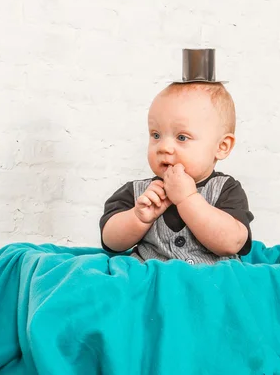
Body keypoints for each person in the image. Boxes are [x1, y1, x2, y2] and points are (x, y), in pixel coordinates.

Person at [99, 49, 254, 264]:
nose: (164, 147)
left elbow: (232, 242)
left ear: (222, 147)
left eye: (182, 137)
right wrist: (137, 218)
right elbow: (110, 242)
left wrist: (188, 199)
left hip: (209, 287)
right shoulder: (139, 194)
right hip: (152, 285)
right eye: (156, 135)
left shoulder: (226, 190)